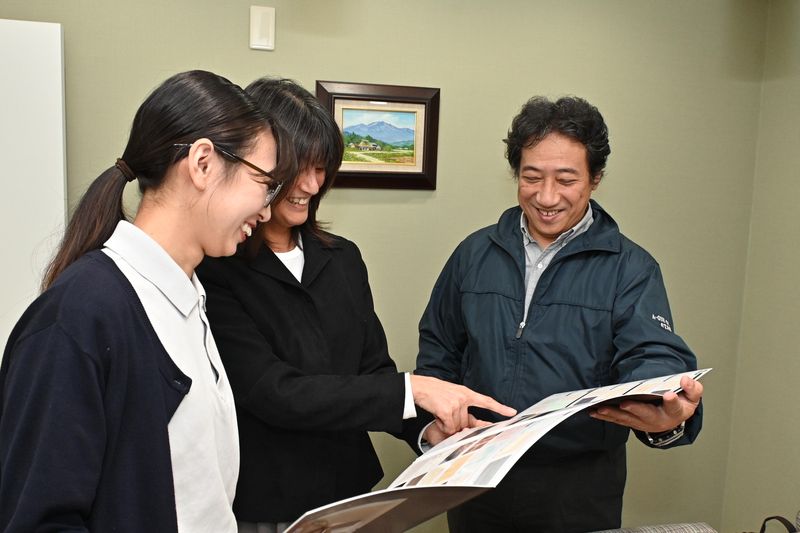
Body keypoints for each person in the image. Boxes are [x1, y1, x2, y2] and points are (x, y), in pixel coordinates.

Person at [196, 77, 515, 531]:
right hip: (264, 505)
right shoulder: (217, 268)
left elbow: (373, 371)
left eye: (321, 168)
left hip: (350, 496)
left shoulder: (342, 258)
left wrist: (428, 430)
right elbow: (274, 392)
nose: (311, 185)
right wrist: (415, 390)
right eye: (298, 168)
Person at [0, 70, 293, 533]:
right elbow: (38, 517)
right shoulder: (80, 314)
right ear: (202, 163)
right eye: (264, 183)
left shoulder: (189, 297)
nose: (267, 208)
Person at [414, 95, 704, 533]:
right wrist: (438, 424)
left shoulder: (631, 267)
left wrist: (664, 403)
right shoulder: (473, 254)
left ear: (595, 179)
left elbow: (653, 355)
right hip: (476, 480)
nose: (546, 197)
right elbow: (438, 351)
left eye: (566, 180)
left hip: (579, 491)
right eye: (531, 177)